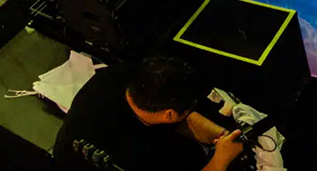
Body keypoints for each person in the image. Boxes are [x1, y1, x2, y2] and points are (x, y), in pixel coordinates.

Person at [54, 53, 245, 171]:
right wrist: (220, 160)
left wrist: (219, 134)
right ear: (169, 115)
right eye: (189, 108)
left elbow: (180, 118)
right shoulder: (142, 155)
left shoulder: (122, 75)